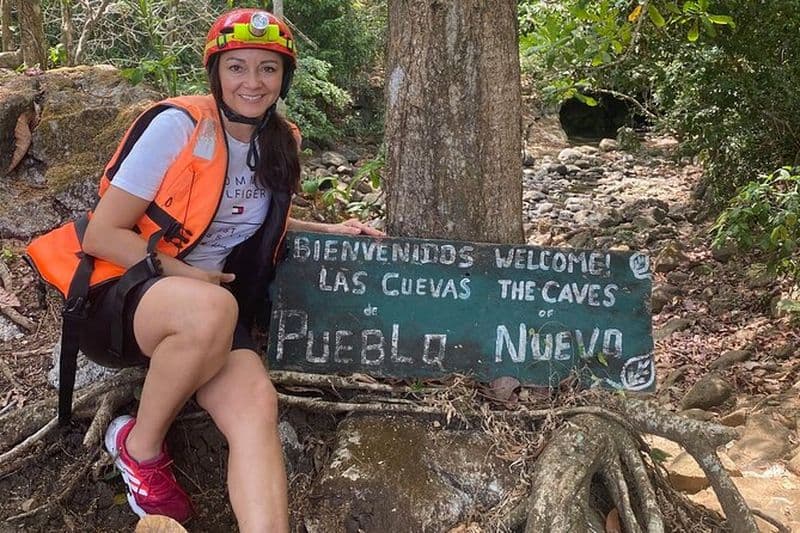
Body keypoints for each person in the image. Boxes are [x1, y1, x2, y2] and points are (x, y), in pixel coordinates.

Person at [35, 8, 382, 531]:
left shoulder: (279, 139)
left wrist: (334, 231)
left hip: (206, 315)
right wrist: (185, 275)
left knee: (256, 407)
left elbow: (252, 219)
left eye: (267, 69)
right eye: (237, 66)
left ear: (283, 78)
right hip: (121, 298)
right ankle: (139, 447)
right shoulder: (178, 126)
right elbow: (104, 233)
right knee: (216, 307)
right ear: (216, 72)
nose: (252, 81)